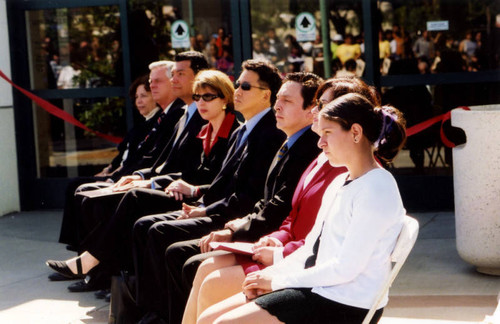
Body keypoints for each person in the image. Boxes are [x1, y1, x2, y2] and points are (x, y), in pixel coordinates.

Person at [182, 77, 381, 324]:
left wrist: (277, 267)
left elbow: (333, 257)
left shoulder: (354, 175)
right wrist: (275, 241)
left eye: (324, 105)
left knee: (213, 294)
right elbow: (296, 221)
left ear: (352, 124)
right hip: (300, 266)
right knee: (205, 277)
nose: (316, 111)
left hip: (319, 284)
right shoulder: (329, 161)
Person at [46, 69, 239, 283]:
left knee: (135, 199)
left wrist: (190, 189)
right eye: (198, 97)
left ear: (225, 99)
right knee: (104, 197)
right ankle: (100, 270)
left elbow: (220, 183)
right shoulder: (206, 129)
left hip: (203, 201)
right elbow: (188, 173)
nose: (201, 102)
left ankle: (93, 264)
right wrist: (159, 181)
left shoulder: (233, 133)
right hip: (184, 193)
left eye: (208, 97)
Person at [131, 59, 286, 323]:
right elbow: (220, 183)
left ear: (266, 95)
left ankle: (164, 315)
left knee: (161, 235)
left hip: (233, 219)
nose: (237, 90)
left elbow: (247, 197)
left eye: (245, 86)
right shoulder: (244, 131)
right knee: (145, 224)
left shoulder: (269, 133)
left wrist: (204, 209)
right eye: (238, 84)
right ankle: (150, 310)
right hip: (216, 209)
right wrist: (199, 201)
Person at [164, 72, 324, 324]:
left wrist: (241, 231)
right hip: (269, 239)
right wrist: (238, 226)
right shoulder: (292, 143)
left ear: (311, 111)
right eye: (278, 99)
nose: (277, 106)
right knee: (197, 264)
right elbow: (274, 205)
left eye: (288, 101)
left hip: (282, 254)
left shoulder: (308, 150)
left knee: (194, 265)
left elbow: (282, 210)